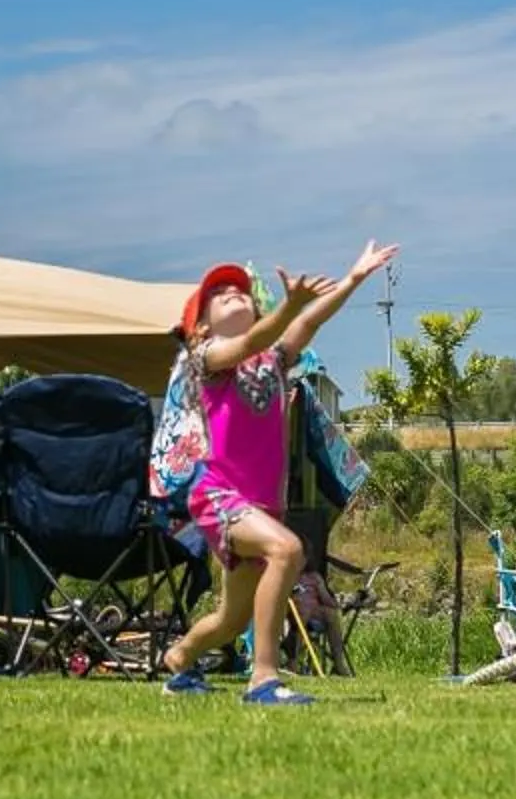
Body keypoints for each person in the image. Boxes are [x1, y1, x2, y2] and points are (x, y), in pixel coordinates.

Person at [152, 242, 398, 705]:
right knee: (288, 549)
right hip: (217, 494)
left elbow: (309, 323)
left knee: (229, 619)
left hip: (260, 504)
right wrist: (289, 306)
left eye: (241, 291)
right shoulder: (205, 359)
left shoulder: (271, 363)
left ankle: (180, 660)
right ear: (200, 326)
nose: (234, 293)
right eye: (220, 293)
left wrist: (353, 279)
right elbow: (249, 341)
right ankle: (263, 679)